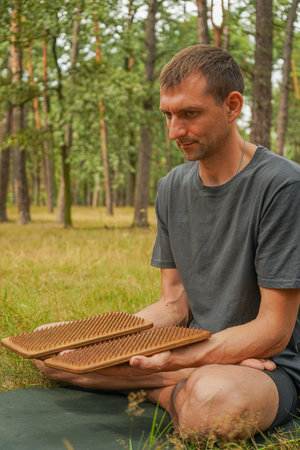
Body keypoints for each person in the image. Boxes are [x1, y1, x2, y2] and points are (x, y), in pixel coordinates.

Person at [34, 45, 300, 441]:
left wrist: (169, 358)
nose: (175, 131)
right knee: (50, 349)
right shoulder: (172, 187)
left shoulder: (283, 186)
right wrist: (102, 342)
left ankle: (163, 385)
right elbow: (174, 304)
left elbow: (273, 330)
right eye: (168, 115)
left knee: (212, 410)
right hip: (195, 353)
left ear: (232, 106)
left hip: (269, 366)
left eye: (189, 114)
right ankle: (172, 387)